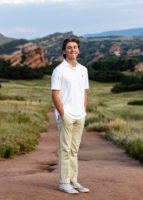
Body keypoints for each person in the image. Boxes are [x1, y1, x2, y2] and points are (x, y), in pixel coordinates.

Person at [51, 38, 90, 194]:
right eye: (69, 47)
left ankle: (74, 181)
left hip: (80, 115)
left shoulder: (83, 70)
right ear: (64, 51)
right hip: (66, 115)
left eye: (75, 47)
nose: (72, 50)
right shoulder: (59, 70)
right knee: (65, 150)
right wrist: (63, 114)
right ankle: (64, 182)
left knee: (74, 150)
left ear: (78, 50)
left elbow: (84, 92)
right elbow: (55, 95)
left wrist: (84, 111)